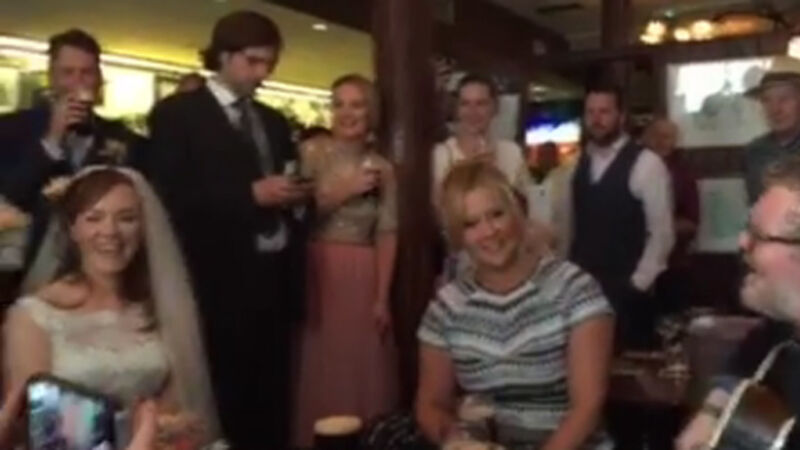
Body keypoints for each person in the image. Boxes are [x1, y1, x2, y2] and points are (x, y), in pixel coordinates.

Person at [144, 10, 310, 449]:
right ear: (223, 55)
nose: (263, 74)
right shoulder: (178, 115)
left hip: (274, 281)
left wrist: (295, 196)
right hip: (216, 283)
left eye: (269, 63)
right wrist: (249, 195)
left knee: (273, 403)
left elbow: (282, 180)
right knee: (227, 400)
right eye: (254, 61)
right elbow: (169, 198)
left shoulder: (273, 121)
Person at [2, 167, 220, 447]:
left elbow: (176, 404)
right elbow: (36, 427)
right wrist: (134, 432)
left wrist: (173, 427)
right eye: (94, 218)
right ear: (73, 229)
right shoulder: (34, 315)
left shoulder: (159, 308)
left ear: (143, 229)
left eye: (127, 219)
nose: (110, 232)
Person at [416, 162, 614, 449]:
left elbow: (587, 407)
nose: (488, 232)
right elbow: (430, 405)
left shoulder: (574, 289)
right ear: (457, 236)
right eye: (471, 224)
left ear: (517, 213)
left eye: (496, 215)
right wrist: (458, 441)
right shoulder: (446, 308)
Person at [291, 74, 398, 447]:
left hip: (361, 273)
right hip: (316, 267)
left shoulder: (382, 168)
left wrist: (382, 296)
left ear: (371, 112)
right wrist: (344, 190)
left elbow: (388, 231)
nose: (346, 113)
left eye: (357, 104)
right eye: (339, 104)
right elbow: (296, 216)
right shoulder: (311, 153)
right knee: (319, 362)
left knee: (359, 363)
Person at [677, 156, 800, 449]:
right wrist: (713, 410)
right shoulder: (779, 334)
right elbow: (741, 368)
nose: (742, 242)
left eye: (758, 235)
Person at [0, 29, 143, 274]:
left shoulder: (123, 139)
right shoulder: (10, 129)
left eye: (87, 73)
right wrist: (52, 140)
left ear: (99, 79)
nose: (78, 82)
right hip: (26, 265)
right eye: (67, 73)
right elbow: (10, 198)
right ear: (51, 78)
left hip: (101, 266)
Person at [569, 84, 674, 351]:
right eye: (591, 112)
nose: (596, 119)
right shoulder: (579, 162)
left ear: (621, 116)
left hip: (628, 293)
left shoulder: (647, 163)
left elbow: (662, 234)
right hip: (582, 291)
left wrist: (637, 284)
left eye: (604, 112)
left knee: (629, 367)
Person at [431, 74, 530, 202]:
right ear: (457, 110)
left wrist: (493, 173)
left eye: (481, 104)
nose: (472, 112)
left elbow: (523, 207)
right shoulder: (439, 156)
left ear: (495, 108)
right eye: (465, 104)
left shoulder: (512, 153)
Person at [642, 117, 699, 315]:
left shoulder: (684, 175)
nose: (661, 142)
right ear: (645, 138)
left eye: (667, 137)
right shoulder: (631, 170)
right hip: (635, 263)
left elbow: (692, 222)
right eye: (656, 136)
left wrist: (659, 226)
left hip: (673, 263)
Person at [743, 56, 800, 204]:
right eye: (767, 100)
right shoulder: (755, 152)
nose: (775, 109)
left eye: (784, 99)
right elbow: (756, 207)